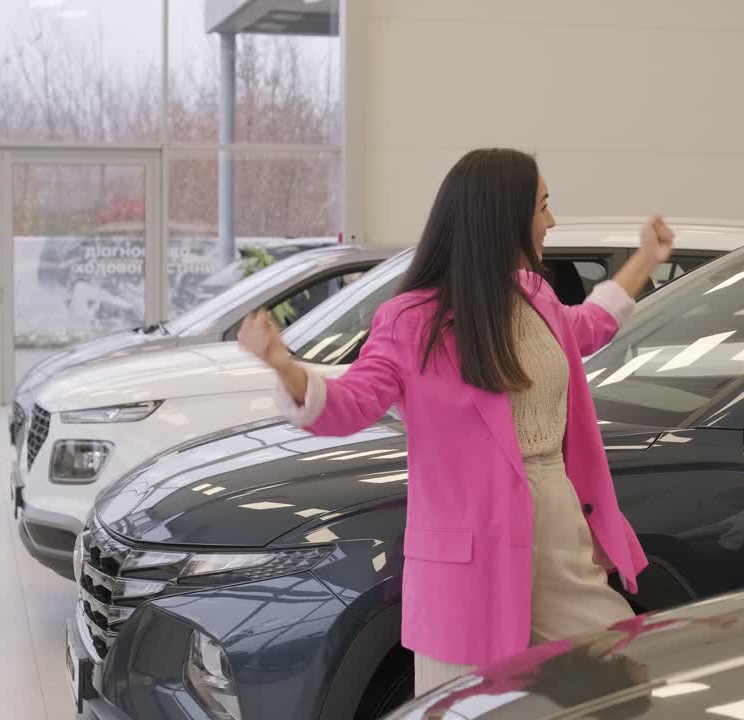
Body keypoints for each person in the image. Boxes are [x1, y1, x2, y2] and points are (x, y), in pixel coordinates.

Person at [236, 148, 675, 695]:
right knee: (461, 704)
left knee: (617, 680)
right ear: (502, 216)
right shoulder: (411, 318)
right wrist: (285, 367)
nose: (552, 221)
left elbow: (587, 325)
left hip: (558, 529)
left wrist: (646, 259)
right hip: (470, 561)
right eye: (542, 206)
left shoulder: (536, 296)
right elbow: (354, 401)